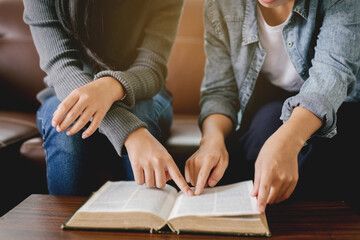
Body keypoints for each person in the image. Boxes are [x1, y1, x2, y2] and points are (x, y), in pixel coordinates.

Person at [185, 0, 360, 212]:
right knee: (263, 131)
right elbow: (220, 92)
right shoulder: (221, 6)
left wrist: (289, 139)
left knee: (326, 152)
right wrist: (211, 141)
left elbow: (332, 76)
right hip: (274, 103)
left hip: (344, 103)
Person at [23, 0, 193, 196]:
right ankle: (64, 224)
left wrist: (111, 86)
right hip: (65, 92)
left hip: (142, 95)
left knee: (141, 113)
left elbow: (151, 68)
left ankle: (146, 220)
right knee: (66, 127)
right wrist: (131, 132)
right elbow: (61, 66)